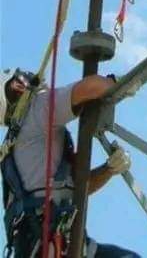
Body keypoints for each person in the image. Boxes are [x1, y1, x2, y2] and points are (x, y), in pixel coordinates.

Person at [1, 69, 138, 257]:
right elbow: (91, 88)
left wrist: (109, 169)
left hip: (54, 242)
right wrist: (118, 84)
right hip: (51, 242)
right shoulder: (37, 109)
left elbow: (78, 188)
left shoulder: (19, 145)